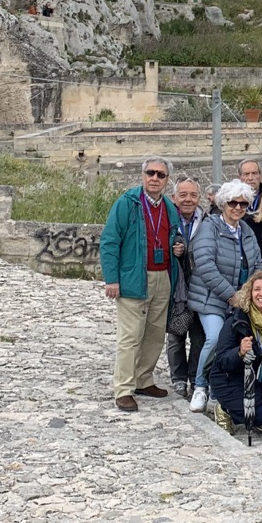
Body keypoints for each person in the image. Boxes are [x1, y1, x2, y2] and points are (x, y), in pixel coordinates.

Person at [99, 156, 177, 411]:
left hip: (162, 276)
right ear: (143, 176)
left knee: (155, 334)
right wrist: (112, 279)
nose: (154, 178)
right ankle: (123, 388)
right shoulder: (128, 203)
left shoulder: (169, 206)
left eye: (160, 175)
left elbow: (175, 235)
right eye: (150, 173)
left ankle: (144, 379)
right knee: (130, 336)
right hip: (134, 277)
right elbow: (110, 241)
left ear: (167, 180)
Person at [186, 179, 262, 413]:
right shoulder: (210, 227)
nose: (238, 208)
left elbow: (257, 265)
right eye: (233, 203)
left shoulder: (246, 231)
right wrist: (231, 295)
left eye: (243, 204)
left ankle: (220, 388)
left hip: (239, 299)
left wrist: (252, 292)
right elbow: (205, 265)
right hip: (211, 298)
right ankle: (200, 385)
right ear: (223, 203)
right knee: (215, 337)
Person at [208, 270, 262, 438]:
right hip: (230, 379)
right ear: (250, 293)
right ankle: (225, 409)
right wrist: (239, 352)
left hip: (258, 377)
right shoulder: (236, 321)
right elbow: (222, 361)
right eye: (257, 289)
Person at [163, 176, 207, 400]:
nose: (188, 200)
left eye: (193, 195)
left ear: (199, 198)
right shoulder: (167, 220)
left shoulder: (208, 221)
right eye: (183, 195)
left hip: (200, 288)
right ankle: (178, 379)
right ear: (174, 198)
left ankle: (194, 378)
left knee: (199, 337)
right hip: (176, 289)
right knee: (176, 335)